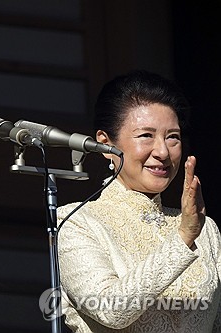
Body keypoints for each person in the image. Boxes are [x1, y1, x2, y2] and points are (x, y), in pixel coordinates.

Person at [56, 70, 221, 332]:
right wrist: (183, 239)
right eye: (146, 135)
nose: (163, 152)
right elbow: (110, 310)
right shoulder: (77, 221)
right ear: (105, 144)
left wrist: (190, 231)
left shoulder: (206, 229)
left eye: (172, 137)